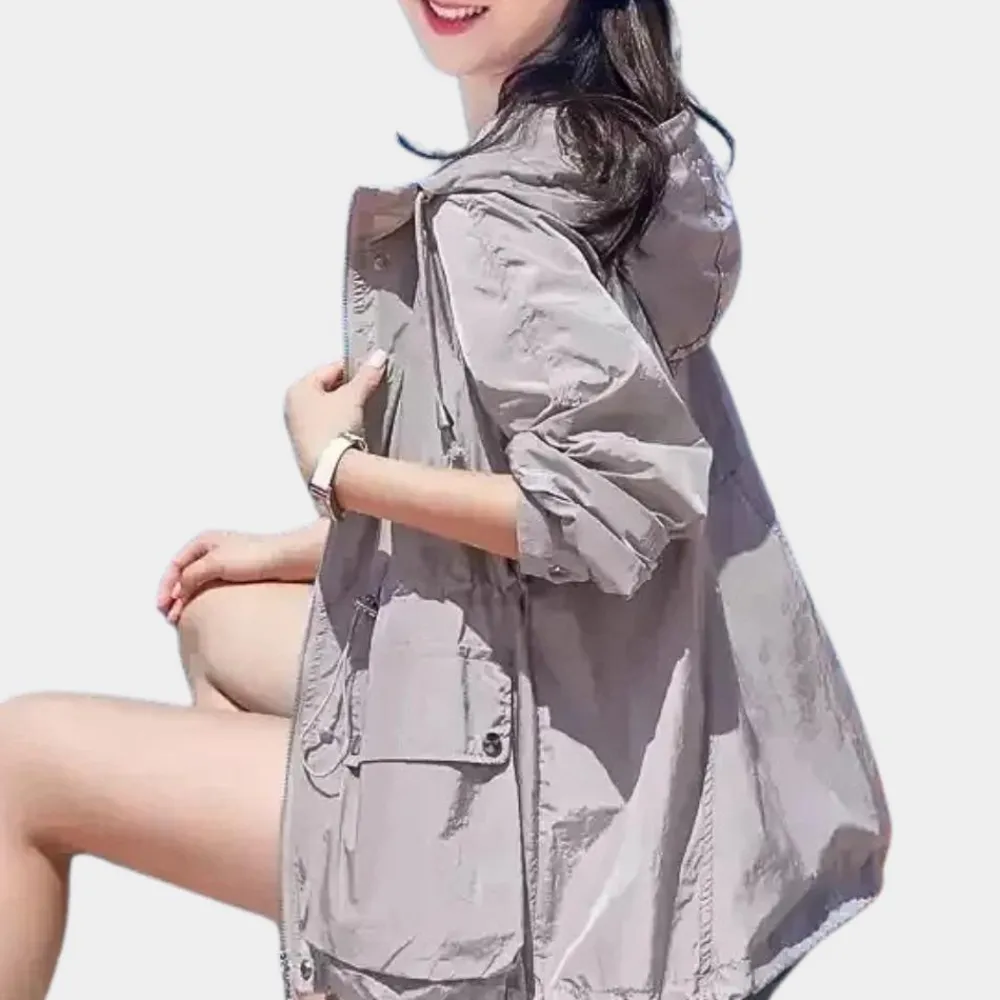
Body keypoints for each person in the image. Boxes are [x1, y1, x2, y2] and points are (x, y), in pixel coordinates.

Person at [0, 2, 892, 1000]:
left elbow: (604, 507)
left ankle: (404, 942)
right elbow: (564, 498)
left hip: (546, 846)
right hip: (612, 711)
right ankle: (356, 914)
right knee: (217, 619)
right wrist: (295, 548)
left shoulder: (496, 217)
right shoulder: (610, 152)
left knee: (23, 760)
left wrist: (337, 466)